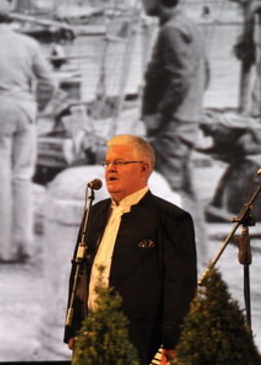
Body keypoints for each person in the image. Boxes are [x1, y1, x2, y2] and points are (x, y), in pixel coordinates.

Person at [64, 135, 197, 365]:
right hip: (91, 333)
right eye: (107, 164)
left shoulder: (171, 218)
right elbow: (79, 273)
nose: (110, 170)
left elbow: (179, 285)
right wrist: (73, 327)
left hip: (141, 340)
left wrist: (173, 340)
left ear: (143, 169)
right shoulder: (94, 213)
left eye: (119, 163)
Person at [0, 0, 55, 262]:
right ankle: (25, 242)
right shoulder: (29, 44)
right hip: (25, 111)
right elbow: (49, 82)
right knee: (23, 177)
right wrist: (35, 106)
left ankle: (3, 248)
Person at [139, 0, 209, 200]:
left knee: (167, 193)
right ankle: (200, 235)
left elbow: (182, 78)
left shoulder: (171, 31)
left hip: (172, 128)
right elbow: (205, 73)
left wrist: (160, 115)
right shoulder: (189, 27)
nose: (142, 0)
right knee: (185, 192)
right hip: (185, 124)